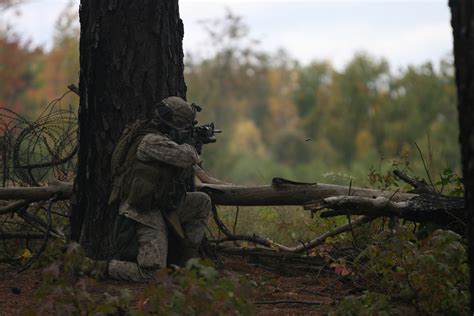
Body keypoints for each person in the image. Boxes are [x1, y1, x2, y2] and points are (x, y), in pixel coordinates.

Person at [104, 96, 212, 282]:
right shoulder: (150, 141)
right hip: (142, 210)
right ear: (174, 124)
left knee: (201, 202)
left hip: (162, 204)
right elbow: (186, 157)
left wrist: (190, 140)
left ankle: (185, 265)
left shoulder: (157, 137)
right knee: (152, 273)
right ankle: (98, 267)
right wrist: (192, 145)